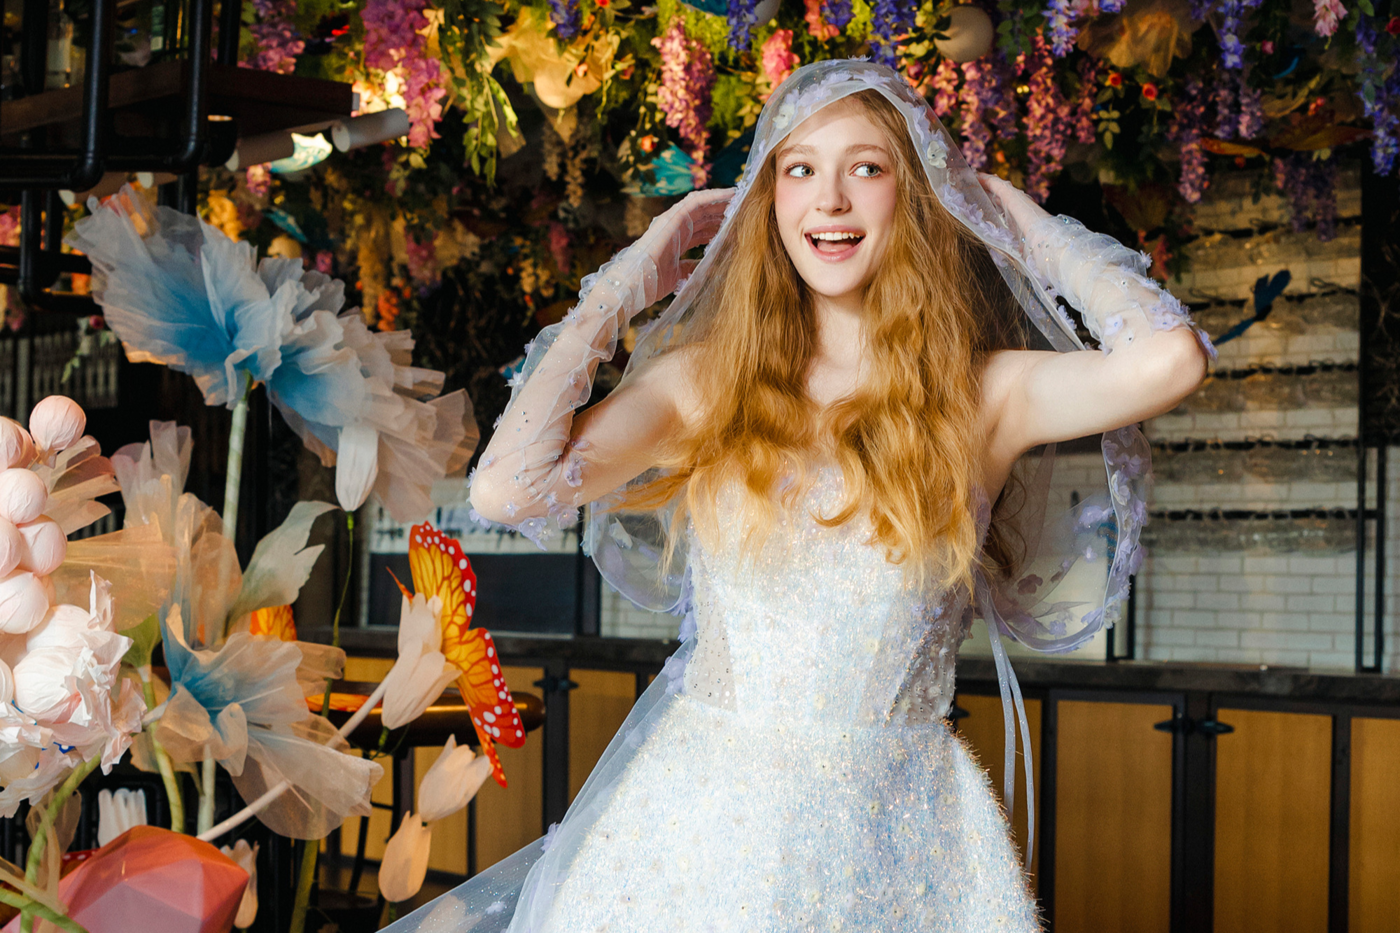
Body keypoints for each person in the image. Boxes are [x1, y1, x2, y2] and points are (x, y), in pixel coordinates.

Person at [390, 59, 1212, 932]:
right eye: (800, 169)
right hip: (701, 837)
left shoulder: (981, 396)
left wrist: (1027, 229)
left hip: (898, 843)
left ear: (916, 193)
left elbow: (1172, 360)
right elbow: (506, 488)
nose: (829, 200)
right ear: (770, 198)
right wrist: (630, 281)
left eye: (867, 167)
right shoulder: (707, 384)